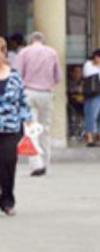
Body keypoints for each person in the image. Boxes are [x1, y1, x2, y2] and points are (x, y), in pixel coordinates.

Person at [14, 31, 62, 177]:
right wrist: (49, 85)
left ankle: (37, 164)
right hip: (46, 93)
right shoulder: (52, 53)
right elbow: (58, 76)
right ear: (43, 41)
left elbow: (16, 74)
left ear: (30, 40)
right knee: (45, 129)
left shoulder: (24, 53)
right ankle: (46, 163)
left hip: (28, 93)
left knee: (31, 130)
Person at [0, 36, 33, 215]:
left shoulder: (14, 76)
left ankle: (7, 199)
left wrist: (28, 119)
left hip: (10, 126)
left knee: (8, 162)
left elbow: (22, 100)